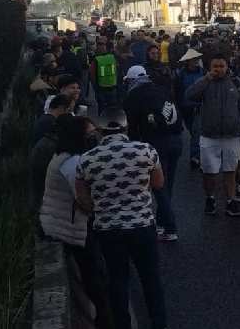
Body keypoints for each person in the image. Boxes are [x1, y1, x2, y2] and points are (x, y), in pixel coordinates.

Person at [76, 116, 167, 329]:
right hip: (142, 225)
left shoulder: (87, 159)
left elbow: (83, 199)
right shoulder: (146, 150)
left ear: (100, 131)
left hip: (108, 228)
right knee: (150, 277)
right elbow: (158, 183)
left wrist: (102, 207)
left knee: (117, 280)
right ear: (126, 128)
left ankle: (122, 324)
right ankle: (159, 323)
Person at [39, 114, 113, 328]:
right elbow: (84, 199)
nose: (94, 138)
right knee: (93, 273)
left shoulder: (64, 156)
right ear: (78, 137)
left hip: (61, 222)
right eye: (89, 135)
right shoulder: (71, 163)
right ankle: (103, 317)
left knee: (93, 271)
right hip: (69, 227)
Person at [123, 65, 183, 242]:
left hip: (157, 142)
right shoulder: (161, 89)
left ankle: (170, 227)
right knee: (167, 185)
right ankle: (162, 223)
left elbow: (131, 126)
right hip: (176, 139)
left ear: (131, 80)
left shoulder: (133, 95)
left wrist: (133, 148)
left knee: (158, 186)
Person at [186, 55, 240, 217]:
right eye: (215, 66)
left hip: (232, 135)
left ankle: (231, 201)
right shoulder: (205, 82)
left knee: (231, 170)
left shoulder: (236, 82)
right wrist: (205, 79)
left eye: (222, 66)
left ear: (227, 66)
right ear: (210, 68)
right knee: (209, 172)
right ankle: (210, 198)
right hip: (209, 136)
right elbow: (189, 95)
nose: (218, 69)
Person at [174, 49, 205, 170]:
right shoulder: (180, 74)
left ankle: (195, 156)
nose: (196, 61)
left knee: (197, 132)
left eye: (196, 59)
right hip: (185, 107)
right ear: (188, 61)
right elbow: (177, 92)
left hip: (198, 106)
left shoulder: (203, 72)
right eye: (193, 59)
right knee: (193, 131)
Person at [90, 40, 119, 116]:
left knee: (102, 107)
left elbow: (92, 75)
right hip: (112, 85)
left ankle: (102, 120)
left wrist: (95, 86)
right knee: (112, 107)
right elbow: (117, 69)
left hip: (101, 87)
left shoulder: (96, 59)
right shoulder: (112, 57)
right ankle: (112, 120)